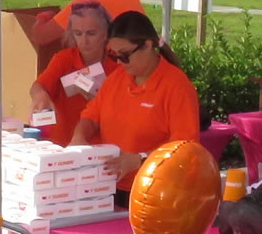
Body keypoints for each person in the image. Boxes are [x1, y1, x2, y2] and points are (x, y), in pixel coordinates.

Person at [72, 11, 199, 201]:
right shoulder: (116, 79)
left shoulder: (176, 86)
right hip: (108, 187)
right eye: (113, 55)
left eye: (124, 55)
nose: (119, 62)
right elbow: (91, 117)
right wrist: (79, 137)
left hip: (153, 192)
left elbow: (185, 148)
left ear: (147, 45)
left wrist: (140, 159)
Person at [28, 0, 111, 145]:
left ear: (105, 34)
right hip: (63, 144)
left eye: (91, 34)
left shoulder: (117, 65)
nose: (84, 40)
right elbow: (38, 86)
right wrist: (40, 95)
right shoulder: (64, 59)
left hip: (102, 146)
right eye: (78, 33)